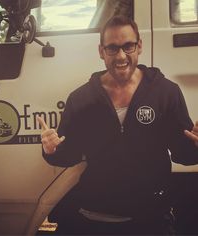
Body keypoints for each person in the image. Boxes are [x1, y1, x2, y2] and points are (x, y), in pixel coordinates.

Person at [38, 16, 198, 235]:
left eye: (128, 46)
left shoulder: (165, 92)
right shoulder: (81, 98)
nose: (121, 56)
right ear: (101, 51)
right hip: (93, 217)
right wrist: (51, 150)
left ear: (139, 46)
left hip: (150, 219)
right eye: (112, 48)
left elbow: (184, 154)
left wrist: (196, 145)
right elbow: (69, 155)